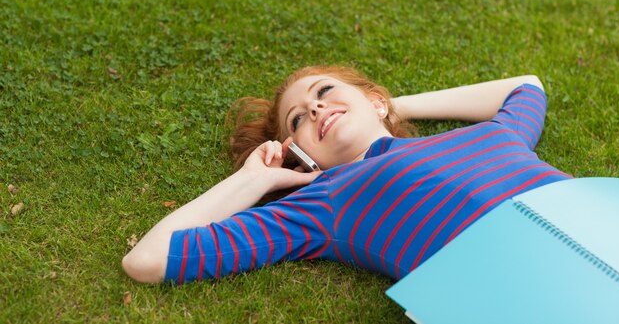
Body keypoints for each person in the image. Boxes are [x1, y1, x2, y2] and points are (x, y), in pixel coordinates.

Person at [122, 65, 572, 284]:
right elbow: (147, 260)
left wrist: (390, 105)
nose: (315, 107)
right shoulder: (324, 204)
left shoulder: (496, 134)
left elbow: (525, 86)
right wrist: (252, 179)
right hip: (517, 289)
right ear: (300, 156)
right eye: (297, 121)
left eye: (325, 92)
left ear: (373, 101)